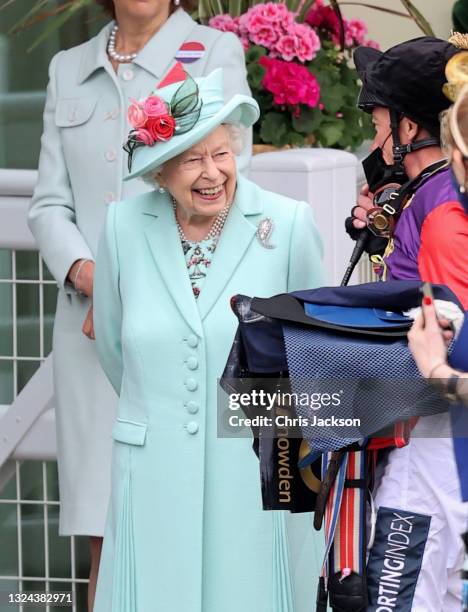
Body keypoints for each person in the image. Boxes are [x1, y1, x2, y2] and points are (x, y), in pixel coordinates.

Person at [27, 1, 251, 608]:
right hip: (91, 328)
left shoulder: (210, 53)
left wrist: (138, 285)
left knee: (187, 514)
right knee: (106, 524)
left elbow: (223, 189)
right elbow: (49, 205)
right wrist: (95, 277)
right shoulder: (67, 68)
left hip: (182, 324)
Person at [92, 66, 324, 612]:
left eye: (221, 153)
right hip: (152, 467)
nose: (212, 172)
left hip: (257, 466)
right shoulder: (122, 228)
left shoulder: (287, 224)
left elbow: (313, 354)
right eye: (193, 159)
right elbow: (113, 346)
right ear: (160, 171)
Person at [347, 37, 468, 610]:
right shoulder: (430, 195)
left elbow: (453, 340)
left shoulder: (444, 215)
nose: (374, 142)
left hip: (434, 443)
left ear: (411, 127)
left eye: (378, 125)